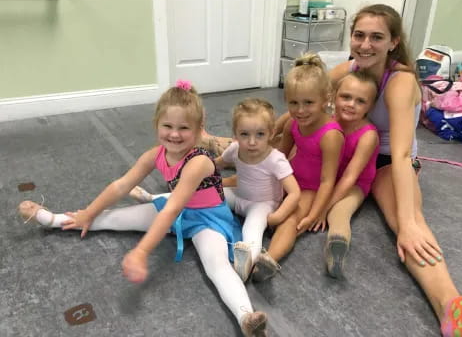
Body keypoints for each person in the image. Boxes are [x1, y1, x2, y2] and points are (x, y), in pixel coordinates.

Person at [276, 4, 462, 336]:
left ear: (393, 41)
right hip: (344, 153)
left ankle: (451, 307)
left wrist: (410, 222)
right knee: (269, 146)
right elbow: (304, 101)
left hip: (386, 163)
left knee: (408, 228)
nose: (365, 44)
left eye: (376, 37)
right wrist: (270, 129)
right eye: (359, 35)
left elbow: (399, 156)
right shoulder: (348, 69)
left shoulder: (400, 81)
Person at [17, 80, 268, 337]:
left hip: (207, 220)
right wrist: (89, 212)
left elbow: (171, 209)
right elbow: (121, 185)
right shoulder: (156, 154)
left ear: (199, 129)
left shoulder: (199, 161)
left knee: (216, 266)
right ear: (156, 124)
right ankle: (52, 219)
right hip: (177, 211)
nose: (174, 134)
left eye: (184, 128)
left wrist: (142, 251)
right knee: (114, 218)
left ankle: (246, 317)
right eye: (168, 126)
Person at [130, 98, 301, 283]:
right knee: (197, 195)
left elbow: (294, 192)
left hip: (262, 204)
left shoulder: (276, 159)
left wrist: (279, 215)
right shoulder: (235, 149)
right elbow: (215, 164)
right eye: (244, 134)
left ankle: (247, 260)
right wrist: (195, 172)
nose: (252, 142)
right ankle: (155, 197)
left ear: (271, 133)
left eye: (260, 134)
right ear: (235, 134)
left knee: (253, 227)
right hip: (238, 194)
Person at [251, 53, 345, 282]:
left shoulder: (331, 135)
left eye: (308, 103)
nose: (300, 110)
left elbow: (327, 181)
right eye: (293, 103)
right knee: (252, 190)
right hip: (290, 177)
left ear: (326, 99)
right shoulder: (293, 122)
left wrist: (314, 214)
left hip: (311, 189)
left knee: (290, 219)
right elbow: (280, 155)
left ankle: (270, 258)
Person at [321, 70, 380, 279]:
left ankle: (337, 245)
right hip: (328, 174)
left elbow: (350, 177)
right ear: (334, 96)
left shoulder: (368, 135)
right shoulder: (327, 121)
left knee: (340, 211)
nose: (351, 104)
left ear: (370, 106)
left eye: (360, 101)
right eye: (345, 97)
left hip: (355, 184)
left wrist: (323, 207)